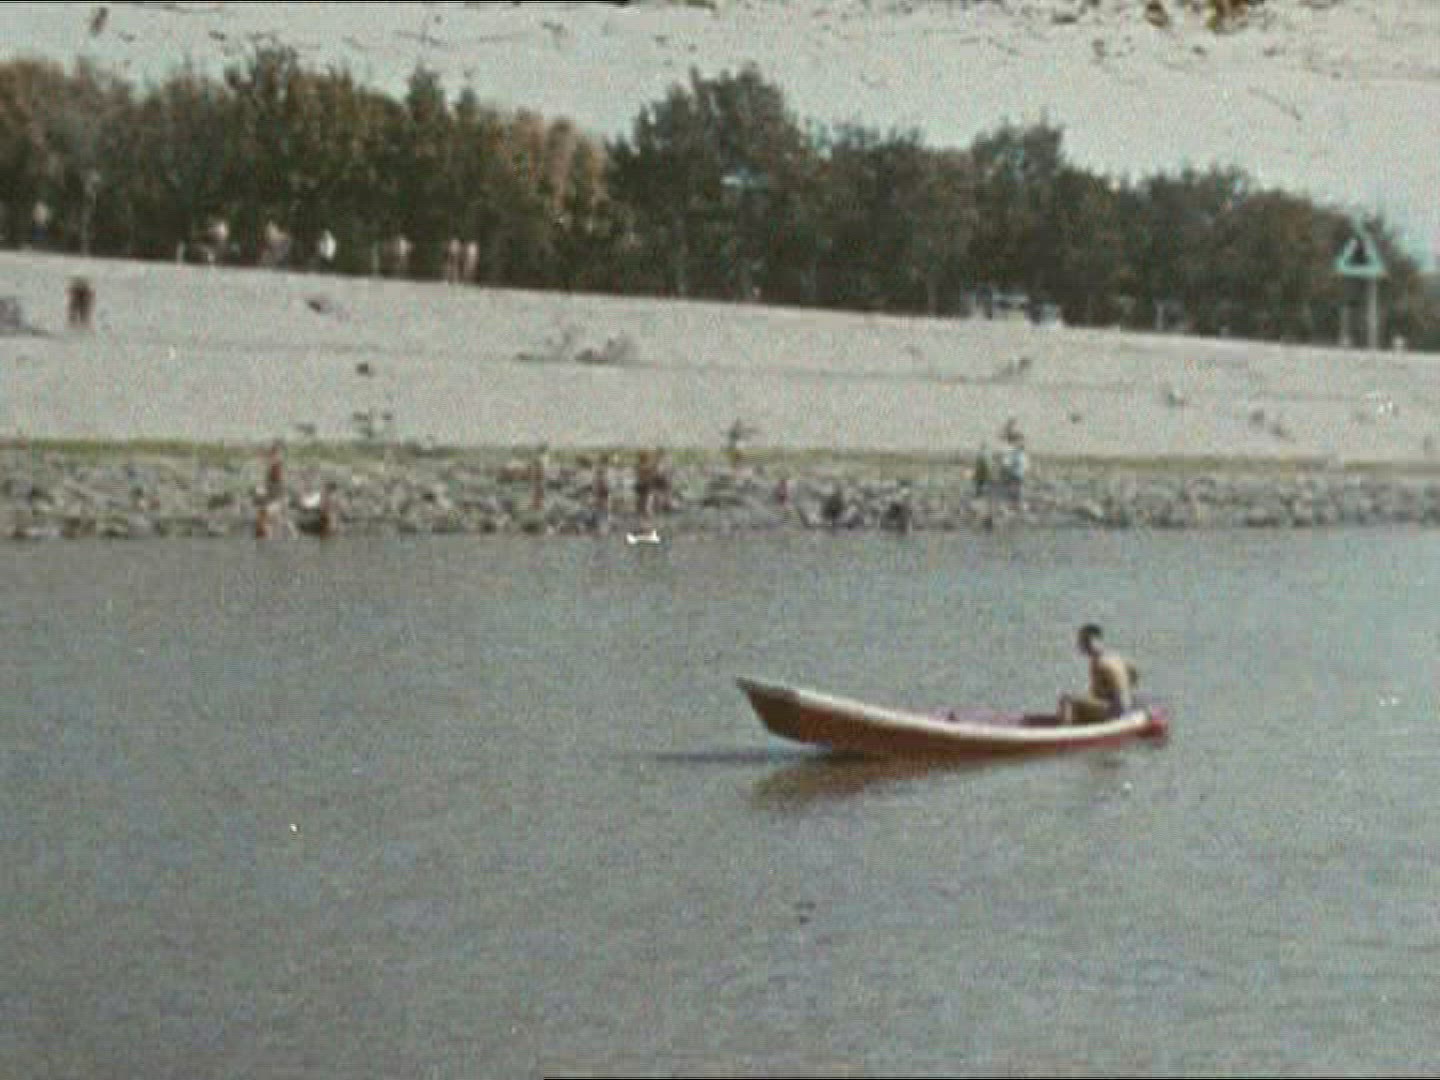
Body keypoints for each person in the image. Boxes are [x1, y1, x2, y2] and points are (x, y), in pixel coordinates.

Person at [1059, 623, 1137, 725]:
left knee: (1067, 699)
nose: (1079, 645)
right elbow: (1134, 675)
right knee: (1081, 698)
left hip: (1116, 712)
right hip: (1123, 707)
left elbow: (1117, 695)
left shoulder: (1101, 663)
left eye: (1082, 642)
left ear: (1090, 642)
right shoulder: (1115, 657)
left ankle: (1066, 730)